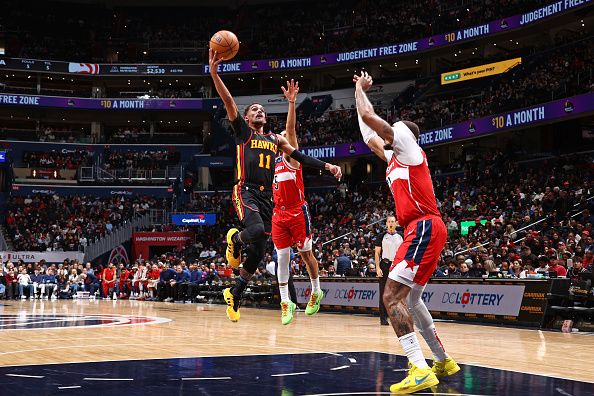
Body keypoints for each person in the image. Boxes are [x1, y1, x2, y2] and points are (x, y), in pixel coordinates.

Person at [209, 49, 342, 322]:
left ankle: (235, 292)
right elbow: (229, 100)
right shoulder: (243, 133)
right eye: (254, 109)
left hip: (267, 197)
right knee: (255, 230)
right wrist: (214, 73)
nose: (259, 111)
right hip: (244, 189)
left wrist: (327, 166)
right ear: (246, 118)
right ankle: (234, 239)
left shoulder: (275, 140)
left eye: (262, 109)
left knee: (258, 251)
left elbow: (300, 156)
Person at [355, 71, 458, 393]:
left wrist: (358, 88)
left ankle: (418, 367)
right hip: (428, 228)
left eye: (394, 130)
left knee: (391, 296)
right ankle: (442, 360)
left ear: (403, 137)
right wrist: (358, 102)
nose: (389, 132)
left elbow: (372, 117)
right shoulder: (393, 159)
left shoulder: (411, 152)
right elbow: (367, 133)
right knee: (412, 299)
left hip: (423, 226)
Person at [271, 79, 327, 325]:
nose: (284, 138)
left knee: (306, 255)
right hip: (278, 214)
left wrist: (292, 104)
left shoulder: (293, 160)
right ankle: (286, 301)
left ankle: (316, 290)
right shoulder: (273, 163)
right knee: (281, 258)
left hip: (297, 212)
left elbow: (291, 130)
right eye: (281, 137)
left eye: (286, 137)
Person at [375, 215, 403, 325]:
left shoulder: (401, 236)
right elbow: (377, 253)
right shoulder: (381, 236)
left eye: (393, 221)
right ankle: (383, 318)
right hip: (384, 265)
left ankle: (397, 317)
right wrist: (377, 267)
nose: (391, 223)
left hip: (397, 266)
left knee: (397, 293)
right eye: (389, 222)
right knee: (383, 293)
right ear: (386, 223)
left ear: (396, 223)